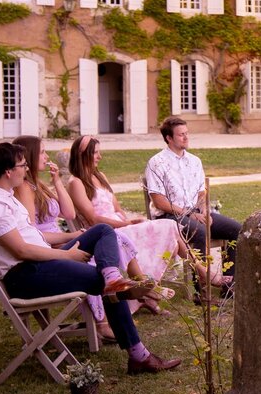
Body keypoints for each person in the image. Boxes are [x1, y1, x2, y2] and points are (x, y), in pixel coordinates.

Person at [0, 142, 181, 375]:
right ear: (8, 171)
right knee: (105, 285)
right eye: (22, 165)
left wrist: (72, 236)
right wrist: (66, 254)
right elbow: (21, 250)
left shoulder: (6, 196)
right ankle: (139, 356)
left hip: (41, 262)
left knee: (102, 231)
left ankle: (113, 277)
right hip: (26, 274)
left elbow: (34, 236)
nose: (27, 169)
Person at [67, 135, 185, 314]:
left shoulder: (101, 176)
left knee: (168, 226)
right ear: (83, 154)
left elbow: (117, 207)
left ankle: (147, 290)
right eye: (95, 153)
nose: (100, 157)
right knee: (168, 226)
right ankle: (197, 272)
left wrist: (129, 221)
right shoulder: (76, 182)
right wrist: (125, 223)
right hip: (103, 233)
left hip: (120, 225)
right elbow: (92, 219)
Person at [145, 116, 236, 291]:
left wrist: (204, 210)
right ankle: (200, 290)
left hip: (196, 213)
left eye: (187, 133)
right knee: (199, 231)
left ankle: (230, 286)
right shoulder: (156, 163)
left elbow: (202, 191)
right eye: (181, 135)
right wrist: (189, 214)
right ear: (169, 138)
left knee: (236, 229)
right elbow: (158, 201)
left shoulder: (195, 161)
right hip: (170, 217)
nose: (186, 138)